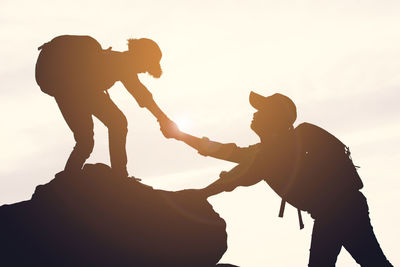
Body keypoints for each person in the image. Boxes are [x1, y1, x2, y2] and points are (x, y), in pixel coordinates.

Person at [162, 91, 392, 266]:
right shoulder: (269, 149)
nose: (254, 114)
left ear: (274, 118)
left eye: (262, 111)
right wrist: (181, 136)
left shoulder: (274, 151)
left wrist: (200, 195)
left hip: (339, 212)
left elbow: (237, 176)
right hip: (340, 210)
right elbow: (225, 152)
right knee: (372, 261)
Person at [35, 35, 174, 178]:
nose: (145, 71)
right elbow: (142, 95)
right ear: (141, 58)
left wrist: (163, 119)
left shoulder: (117, 60)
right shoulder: (123, 63)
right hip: (77, 90)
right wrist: (163, 119)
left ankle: (70, 178)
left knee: (86, 141)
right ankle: (119, 175)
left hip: (67, 91)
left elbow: (141, 95)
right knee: (116, 124)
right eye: (147, 65)